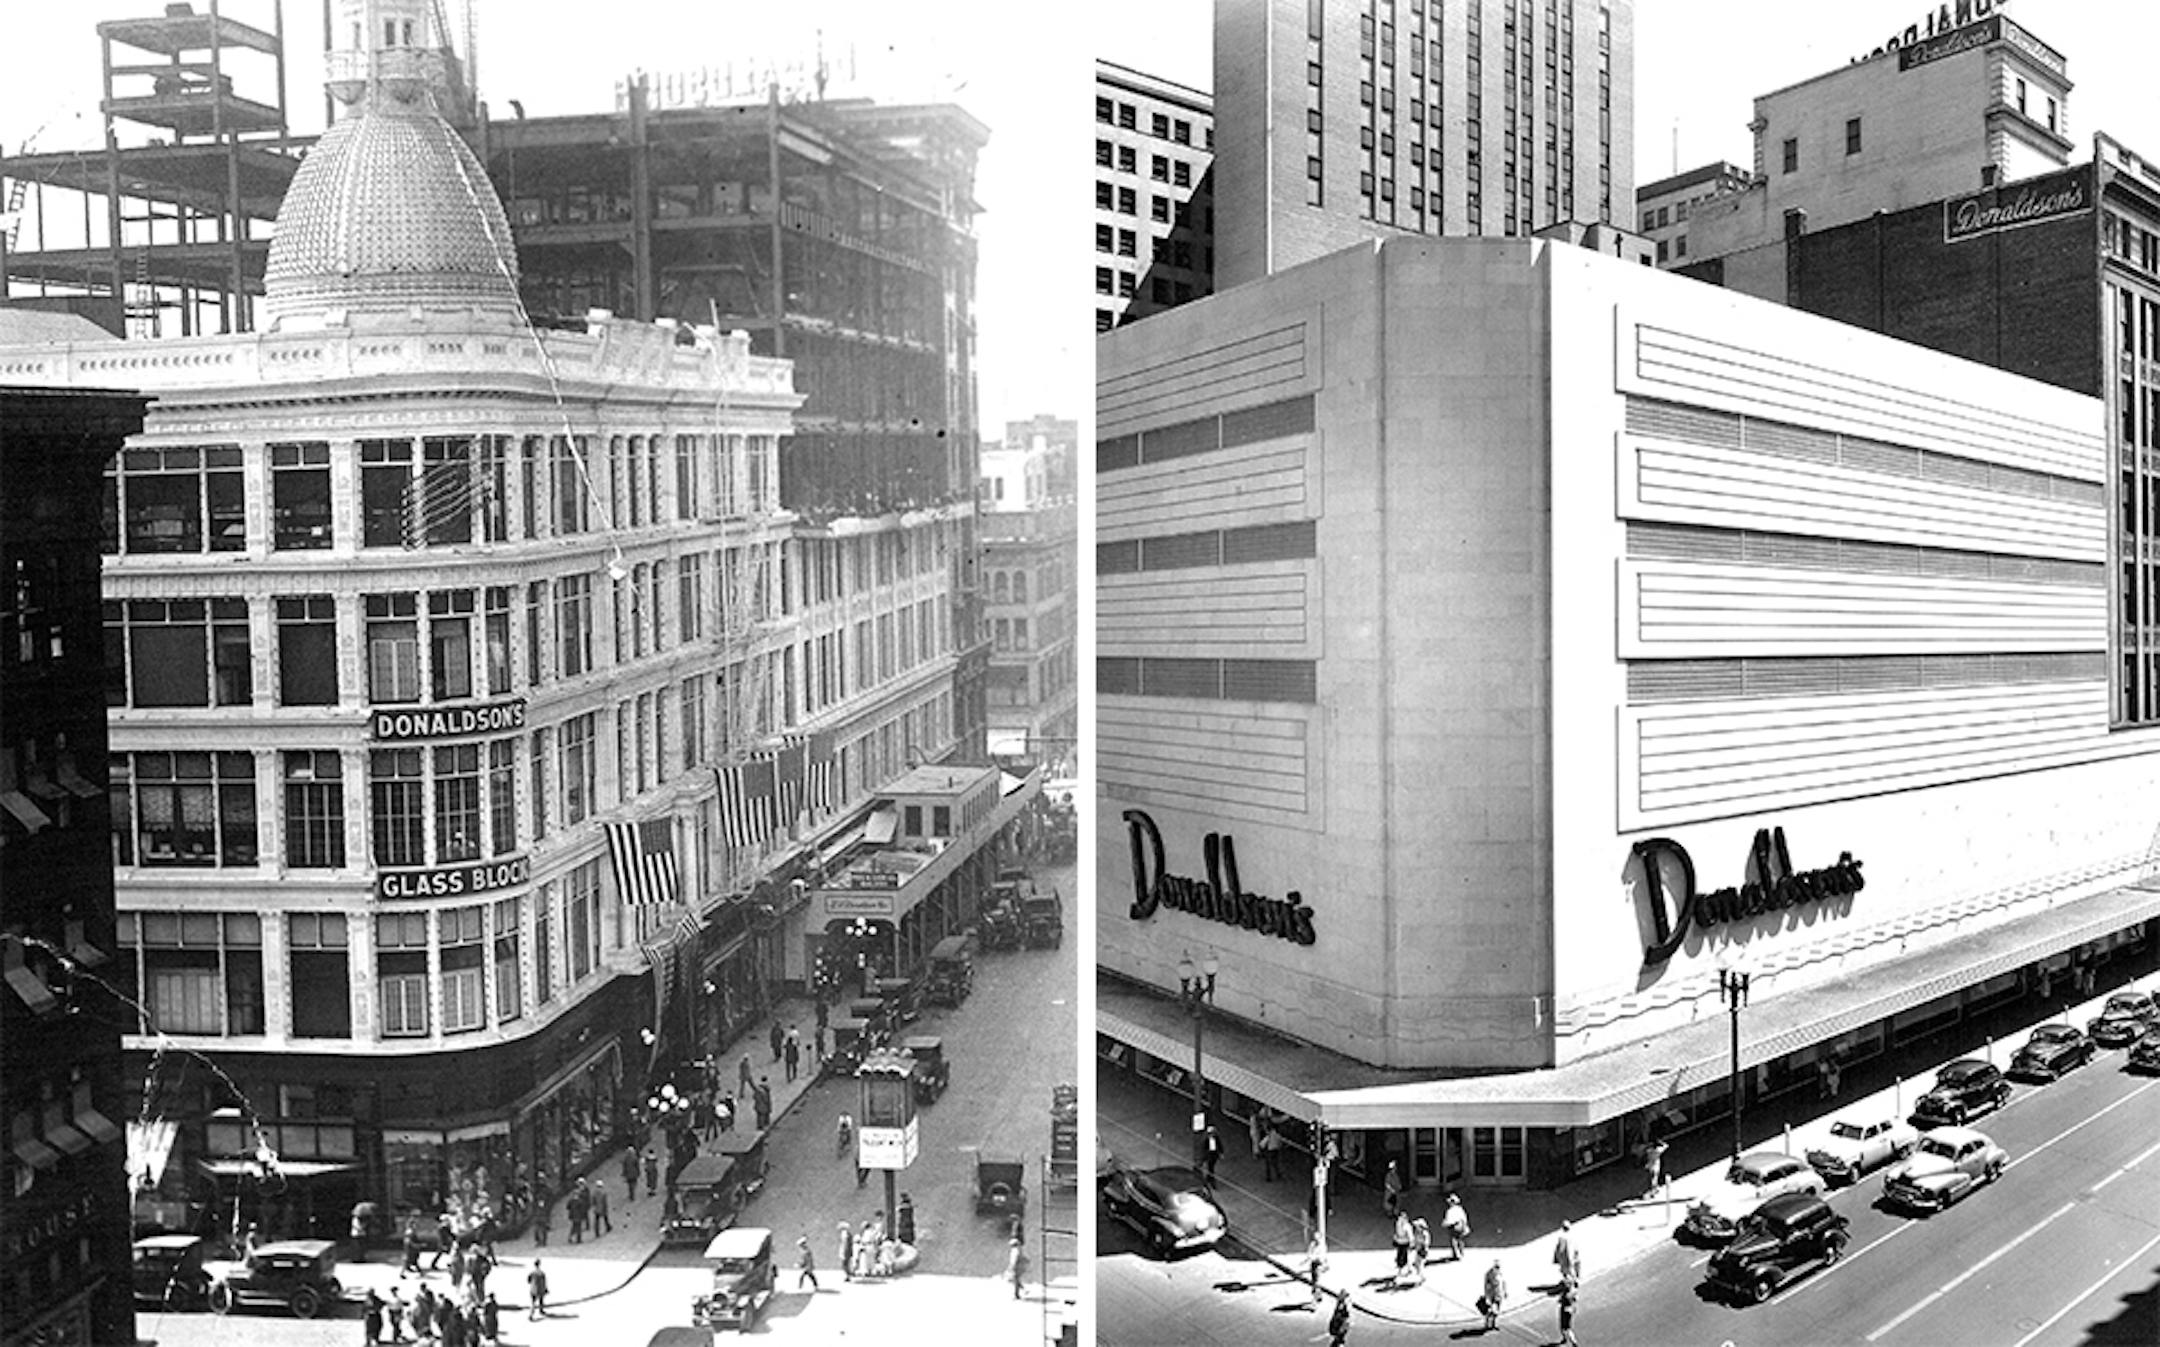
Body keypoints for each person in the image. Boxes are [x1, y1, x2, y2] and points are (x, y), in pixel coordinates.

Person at [1441, 1194, 1470, 1261]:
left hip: (1454, 1227)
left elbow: (1449, 1220)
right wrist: (1465, 1225)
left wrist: (1445, 1224)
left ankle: (1456, 1254)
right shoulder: (1460, 1209)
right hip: (1460, 1225)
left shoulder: (1450, 1211)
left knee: (1454, 1240)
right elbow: (1464, 1218)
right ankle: (1461, 1253)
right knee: (1460, 1240)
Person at [1553, 1220, 1581, 1287]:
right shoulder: (1573, 1235)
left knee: (1566, 1269)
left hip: (1566, 1257)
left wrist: (1557, 1257)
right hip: (1573, 1255)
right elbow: (1576, 1247)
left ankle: (1570, 1282)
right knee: (1574, 1268)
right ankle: (1575, 1280)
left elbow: (1560, 1249)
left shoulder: (1562, 1238)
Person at [1480, 1260, 1506, 1332]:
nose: (1498, 1268)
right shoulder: (1489, 1274)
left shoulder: (1500, 1273)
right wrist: (1486, 1295)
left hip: (1499, 1293)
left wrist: (1505, 1291)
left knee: (1497, 1310)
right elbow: (1486, 1285)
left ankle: (1494, 1324)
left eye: (1498, 1267)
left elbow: (1503, 1282)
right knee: (1490, 1310)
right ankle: (1487, 1324)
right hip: (1492, 1294)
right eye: (1496, 1267)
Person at [1307, 1230, 1327, 1306]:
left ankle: (1315, 1299)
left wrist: (1319, 1260)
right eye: (1315, 1238)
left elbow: (1323, 1256)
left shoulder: (1322, 1246)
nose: (1316, 1240)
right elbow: (1309, 1254)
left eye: (1317, 1238)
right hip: (1313, 1264)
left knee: (1317, 1282)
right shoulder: (1312, 1244)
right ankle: (1318, 1296)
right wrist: (1312, 1258)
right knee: (1314, 1281)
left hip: (1319, 1265)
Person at [1557, 1279, 1579, 1347]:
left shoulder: (1565, 1295)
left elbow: (1560, 1301)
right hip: (1570, 1310)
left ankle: (1571, 1341)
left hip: (1564, 1310)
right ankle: (1570, 1340)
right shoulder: (1573, 1292)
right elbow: (1575, 1300)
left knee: (1564, 1327)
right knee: (1568, 1327)